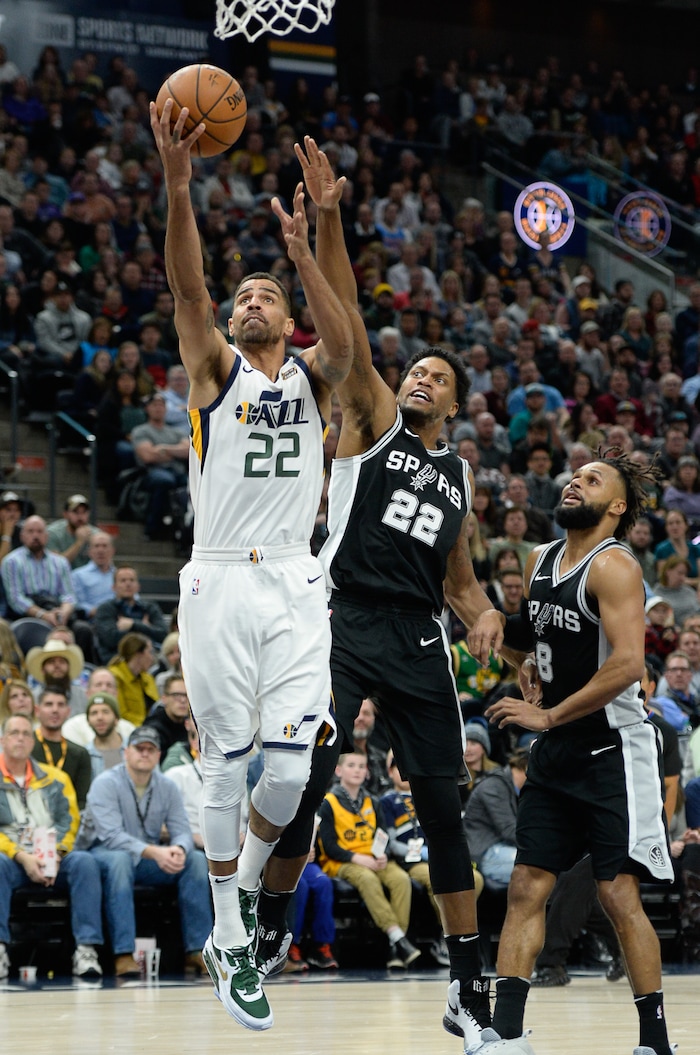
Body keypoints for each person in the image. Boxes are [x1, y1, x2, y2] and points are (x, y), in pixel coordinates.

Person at [258, 138, 521, 1054]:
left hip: (417, 639)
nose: (420, 378)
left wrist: (486, 613)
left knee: (445, 807)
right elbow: (349, 334)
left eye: (438, 378)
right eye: (418, 370)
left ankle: (462, 981)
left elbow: (460, 582)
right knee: (308, 777)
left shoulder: (458, 476)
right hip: (340, 619)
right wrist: (324, 228)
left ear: (454, 401)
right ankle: (273, 917)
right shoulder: (368, 417)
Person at [149, 101, 352, 1030]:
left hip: (297, 580)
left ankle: (244, 907)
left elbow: (345, 346)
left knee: (285, 775)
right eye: (246, 296)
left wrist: (303, 248)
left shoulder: (311, 378)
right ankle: (230, 930)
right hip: (220, 575)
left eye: (264, 294)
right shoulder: (214, 373)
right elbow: (189, 291)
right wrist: (179, 183)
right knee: (228, 775)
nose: (249, 300)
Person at [469, 450, 676, 1055]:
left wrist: (549, 712)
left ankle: (654, 1043)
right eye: (574, 475)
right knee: (528, 885)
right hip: (558, 747)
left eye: (591, 480)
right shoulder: (539, 560)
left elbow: (628, 664)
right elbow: (535, 638)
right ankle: (506, 1035)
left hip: (614, 747)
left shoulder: (615, 568)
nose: (573, 482)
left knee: (617, 894)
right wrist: (511, 646)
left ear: (616, 506)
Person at [77, 725, 211, 978]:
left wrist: (179, 849)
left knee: (194, 859)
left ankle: (198, 950)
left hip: (147, 858)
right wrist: (156, 852)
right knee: (120, 861)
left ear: (159, 755)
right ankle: (124, 953)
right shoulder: (105, 783)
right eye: (139, 749)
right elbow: (111, 836)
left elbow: (181, 829)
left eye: (151, 749)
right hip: (103, 854)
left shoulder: (166, 786)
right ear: (126, 752)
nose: (145, 754)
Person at [0, 713, 104, 982]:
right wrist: (22, 857)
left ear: (33, 740)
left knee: (84, 862)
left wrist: (55, 855)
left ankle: (86, 950)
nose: (21, 738)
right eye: (14, 733)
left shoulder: (55, 778)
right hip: (12, 859)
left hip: (54, 858)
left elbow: (69, 821)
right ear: (2, 739)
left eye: (26, 733)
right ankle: (0, 949)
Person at [317, 751, 419, 968]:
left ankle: (396, 945)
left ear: (367, 772)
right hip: (343, 862)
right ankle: (397, 937)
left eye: (361, 766)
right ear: (339, 770)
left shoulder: (373, 800)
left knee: (401, 879)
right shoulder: (329, 802)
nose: (357, 770)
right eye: (352, 765)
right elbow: (329, 846)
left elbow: (382, 835)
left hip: (374, 859)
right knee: (367, 879)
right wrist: (359, 859)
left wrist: (382, 855)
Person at [463, 749, 529, 892]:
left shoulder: (511, 787)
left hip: (501, 847)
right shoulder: (494, 786)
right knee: (536, 868)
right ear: (526, 768)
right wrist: (541, 845)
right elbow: (509, 830)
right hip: (484, 852)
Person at [30, 686, 93, 810]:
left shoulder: (79, 753)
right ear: (37, 710)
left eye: (60, 705)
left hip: (68, 819)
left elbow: (82, 801)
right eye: (49, 704)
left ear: (68, 712)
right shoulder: (26, 748)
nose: (55, 710)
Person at [93, 565, 168, 664]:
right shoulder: (105, 609)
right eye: (123, 581)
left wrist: (133, 624)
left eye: (132, 580)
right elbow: (110, 639)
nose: (128, 584)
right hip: (118, 660)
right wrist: (145, 627)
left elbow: (163, 635)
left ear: (138, 586)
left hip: (151, 659)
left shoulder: (150, 607)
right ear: (114, 587)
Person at [45, 494, 98, 570]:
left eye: (84, 512)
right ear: (65, 514)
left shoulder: (96, 535)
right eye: (75, 512)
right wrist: (79, 542)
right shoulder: (53, 533)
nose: (80, 517)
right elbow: (55, 565)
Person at [141, 674, 190, 756]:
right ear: (164, 699)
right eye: (176, 695)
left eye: (186, 695)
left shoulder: (190, 725)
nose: (183, 700)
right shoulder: (153, 728)